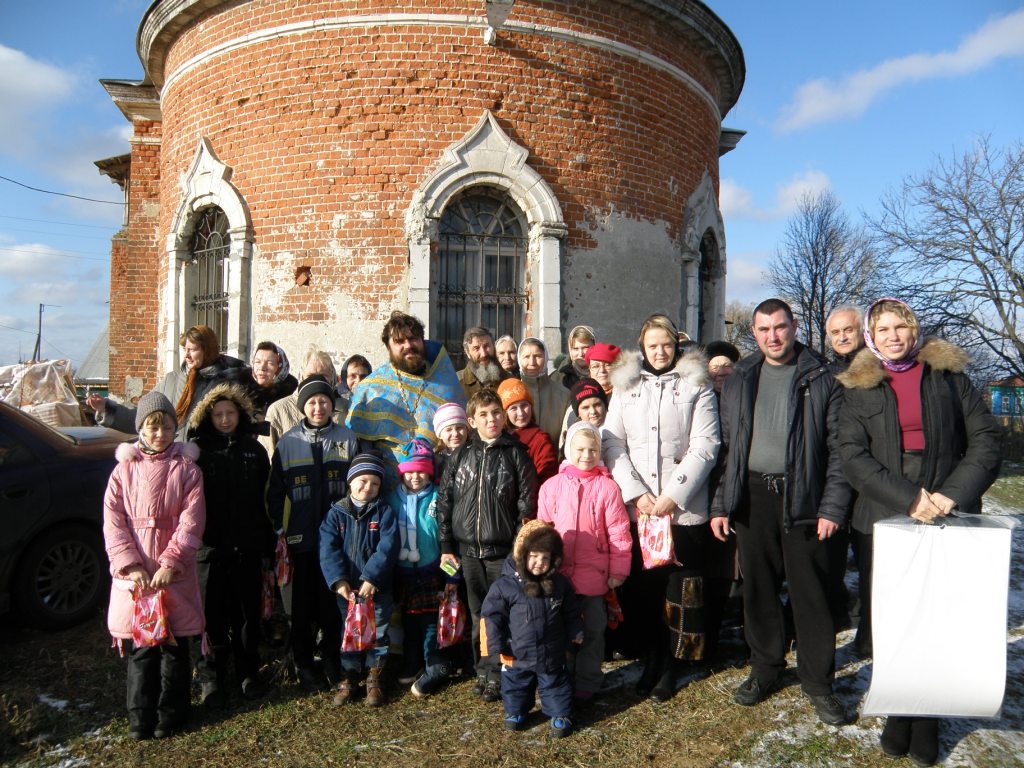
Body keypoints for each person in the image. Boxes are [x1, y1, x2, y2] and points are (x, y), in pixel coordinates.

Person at [836, 298, 1001, 766]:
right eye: (882, 328)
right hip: (886, 512)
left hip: (948, 509)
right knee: (893, 619)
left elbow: (986, 440)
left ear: (914, 330)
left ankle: (926, 716)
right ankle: (899, 708)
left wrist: (950, 495)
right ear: (871, 336)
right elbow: (852, 455)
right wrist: (908, 498)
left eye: (900, 326)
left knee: (937, 617)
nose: (892, 335)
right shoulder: (858, 387)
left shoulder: (949, 378)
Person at [709, 298, 852, 726]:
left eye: (780, 327)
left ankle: (818, 682)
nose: (773, 336)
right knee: (759, 589)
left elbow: (840, 452)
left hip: (804, 496)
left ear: (794, 327)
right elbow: (729, 448)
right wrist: (722, 502)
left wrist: (831, 506)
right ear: (753, 333)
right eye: (764, 329)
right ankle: (766, 668)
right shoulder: (741, 377)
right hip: (754, 497)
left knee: (811, 593)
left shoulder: (822, 376)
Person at [602, 313, 720, 702]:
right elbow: (613, 443)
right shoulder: (626, 387)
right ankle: (651, 655)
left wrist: (674, 494)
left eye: (666, 344)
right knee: (645, 589)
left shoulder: (695, 384)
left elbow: (706, 444)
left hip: (681, 510)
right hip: (643, 510)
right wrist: (637, 494)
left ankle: (672, 662)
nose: (659, 351)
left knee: (678, 588)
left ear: (676, 344)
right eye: (652, 345)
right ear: (642, 346)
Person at [102, 391, 205, 740]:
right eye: (152, 427)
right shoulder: (123, 471)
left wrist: (171, 562)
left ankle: (171, 713)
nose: (159, 434)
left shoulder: (187, 469)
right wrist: (130, 565)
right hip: (138, 575)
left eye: (166, 427)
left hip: (171, 572)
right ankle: (139, 716)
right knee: (142, 647)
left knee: (174, 646)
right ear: (141, 430)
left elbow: (192, 522)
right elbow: (113, 522)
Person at [436, 388, 538, 703]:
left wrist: (517, 547)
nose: (491, 419)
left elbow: (526, 503)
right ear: (471, 421)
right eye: (484, 414)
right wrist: (446, 545)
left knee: (500, 615)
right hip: (467, 553)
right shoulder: (460, 455)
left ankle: (499, 673)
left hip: (501, 552)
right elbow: (445, 502)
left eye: (496, 412)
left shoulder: (515, 453)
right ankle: (481, 669)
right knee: (478, 613)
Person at [268, 375, 359, 692]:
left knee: (331, 605)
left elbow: (357, 488)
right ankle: (303, 664)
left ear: (331, 405)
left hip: (336, 541)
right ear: (302, 406)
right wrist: (282, 529)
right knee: (301, 609)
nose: (318, 407)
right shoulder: (288, 442)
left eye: (323, 401)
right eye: (311, 402)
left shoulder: (347, 439)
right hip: (299, 542)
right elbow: (275, 493)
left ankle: (332, 660)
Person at [186, 383, 275, 706]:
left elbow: (266, 500)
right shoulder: (197, 451)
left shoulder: (254, 451)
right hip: (210, 549)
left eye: (231, 413)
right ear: (208, 416)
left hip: (247, 546)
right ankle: (210, 676)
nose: (225, 420)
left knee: (247, 615)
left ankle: (248, 671)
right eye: (219, 414)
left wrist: (267, 544)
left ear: (240, 414)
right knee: (211, 616)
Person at [538, 421, 631, 700]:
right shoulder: (551, 487)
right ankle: (562, 681)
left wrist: (618, 570)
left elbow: (619, 533)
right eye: (580, 449)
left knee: (592, 631)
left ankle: (588, 682)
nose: (586, 455)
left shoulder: (608, 488)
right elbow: (543, 531)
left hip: (594, 576)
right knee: (561, 633)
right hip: (560, 576)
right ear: (568, 449)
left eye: (593, 449)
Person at [480, 520, 583, 738]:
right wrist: (492, 647)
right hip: (516, 651)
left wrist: (576, 631)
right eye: (534, 556)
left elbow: (571, 611)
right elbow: (490, 617)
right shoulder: (505, 586)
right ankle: (515, 711)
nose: (539, 563)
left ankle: (560, 713)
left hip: (551, 652)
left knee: (555, 683)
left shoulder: (560, 584)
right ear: (522, 555)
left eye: (546, 558)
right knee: (516, 684)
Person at [319, 453, 399, 706]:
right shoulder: (336, 513)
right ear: (350, 481)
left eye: (375, 483)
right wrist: (339, 580)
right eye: (362, 481)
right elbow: (328, 549)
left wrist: (373, 578)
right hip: (348, 590)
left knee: (379, 631)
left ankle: (375, 676)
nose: (368, 487)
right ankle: (350, 676)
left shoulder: (384, 511)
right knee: (349, 631)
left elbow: (388, 547)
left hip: (377, 588)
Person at [347, 311, 465, 466]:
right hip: (385, 483)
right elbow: (360, 448)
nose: (408, 345)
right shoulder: (370, 389)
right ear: (388, 347)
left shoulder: (445, 383)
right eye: (399, 341)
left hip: (435, 481)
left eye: (413, 338)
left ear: (422, 341)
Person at [88, 325, 249, 438]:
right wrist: (106, 409)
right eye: (185, 349)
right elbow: (143, 416)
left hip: (212, 466)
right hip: (174, 463)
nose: (186, 355)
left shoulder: (228, 384)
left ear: (208, 350)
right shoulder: (171, 381)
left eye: (192, 350)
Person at [385, 438, 454, 697]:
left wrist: (450, 572)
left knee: (430, 620)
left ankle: (434, 662)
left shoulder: (437, 497)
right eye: (410, 471)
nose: (416, 477)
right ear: (402, 472)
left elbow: (445, 534)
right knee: (408, 619)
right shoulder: (393, 499)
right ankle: (412, 661)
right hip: (403, 571)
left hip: (430, 568)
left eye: (421, 471)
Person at [263, 348, 347, 454]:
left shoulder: (346, 408)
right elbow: (267, 455)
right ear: (301, 377)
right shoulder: (278, 410)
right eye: (310, 376)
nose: (317, 381)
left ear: (333, 377)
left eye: (323, 376)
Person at [498, 378, 558, 483]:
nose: (521, 413)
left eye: (524, 405)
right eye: (513, 408)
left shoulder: (541, 440)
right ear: (504, 412)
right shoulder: (498, 437)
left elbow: (547, 479)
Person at [517, 336, 570, 448]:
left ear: (545, 358)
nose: (532, 362)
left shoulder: (564, 395)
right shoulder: (511, 392)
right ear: (519, 359)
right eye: (526, 357)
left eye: (538, 356)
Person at [558, 377, 609, 455]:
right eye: (585, 407)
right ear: (578, 413)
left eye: (597, 405)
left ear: (605, 405)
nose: (593, 411)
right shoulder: (572, 438)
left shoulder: (617, 427)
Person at [457, 326, 510, 398]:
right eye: (476, 348)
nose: (483, 354)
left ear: (493, 347)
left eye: (486, 346)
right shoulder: (456, 383)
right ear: (467, 353)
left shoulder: (509, 380)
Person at [250, 341, 298, 417]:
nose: (262, 368)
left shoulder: (293, 397)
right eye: (258, 362)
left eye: (270, 363)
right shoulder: (240, 391)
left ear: (281, 367)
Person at [432, 402, 470, 480]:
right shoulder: (436, 460)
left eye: (459, 428)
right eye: (448, 429)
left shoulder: (476, 453)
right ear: (440, 435)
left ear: (467, 429)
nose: (455, 433)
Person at [552, 325, 596, 390]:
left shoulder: (604, 373)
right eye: (575, 349)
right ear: (570, 350)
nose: (581, 354)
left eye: (585, 348)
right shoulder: (558, 377)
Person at [825, 305, 863, 371]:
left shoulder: (882, 367)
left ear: (862, 331)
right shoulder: (825, 374)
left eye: (848, 330)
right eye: (836, 332)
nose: (842, 338)